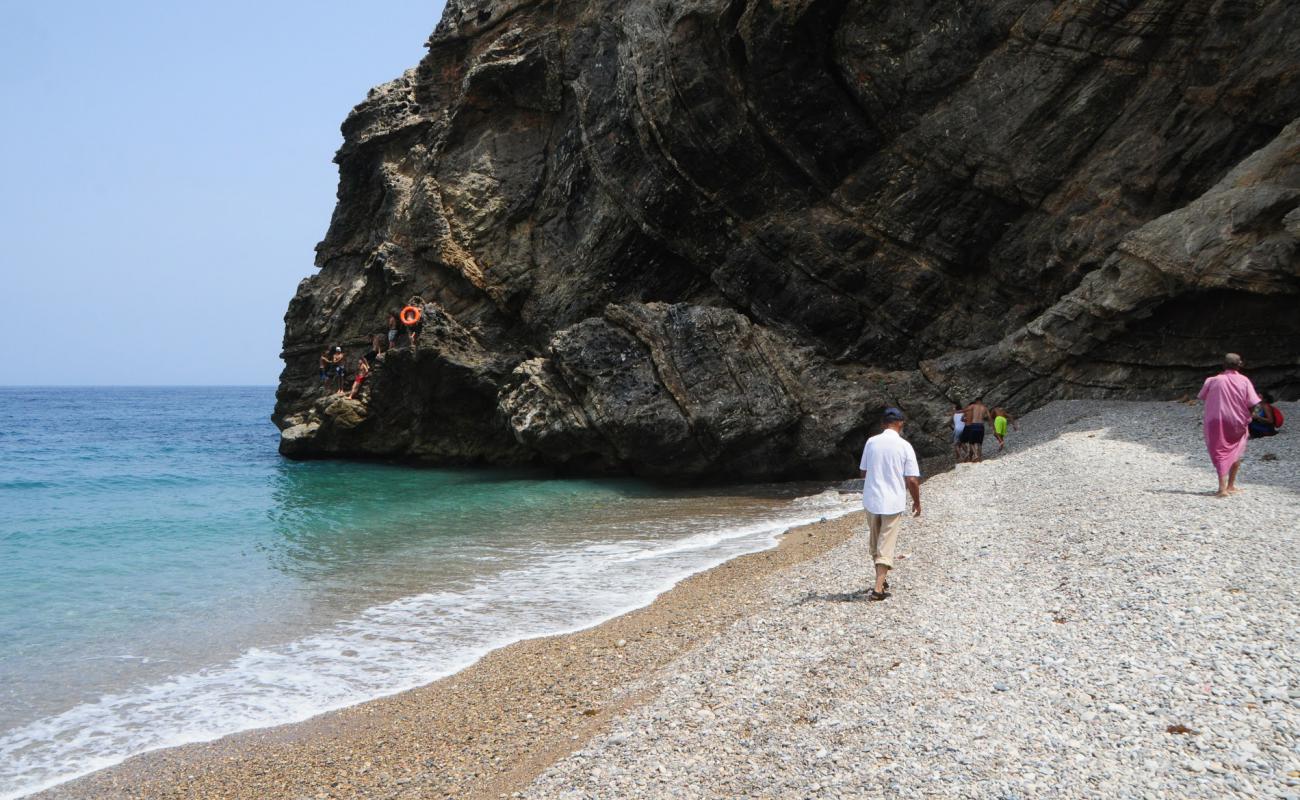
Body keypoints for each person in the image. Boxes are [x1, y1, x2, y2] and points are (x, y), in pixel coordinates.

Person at [858, 407, 921, 602]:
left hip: (872, 499)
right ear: (900, 423)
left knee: (876, 543)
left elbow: (863, 472)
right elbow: (911, 479)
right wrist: (917, 502)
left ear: (883, 423)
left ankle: (881, 580)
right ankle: (878, 588)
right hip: (893, 501)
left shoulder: (871, 442)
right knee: (886, 543)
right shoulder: (904, 446)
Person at [1198, 353, 1261, 497]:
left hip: (1215, 420)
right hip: (1237, 420)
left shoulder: (1212, 380)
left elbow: (1203, 396)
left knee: (1220, 451)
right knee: (1236, 449)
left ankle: (1222, 489)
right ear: (1240, 365)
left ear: (1223, 365)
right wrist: (1248, 416)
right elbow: (1253, 402)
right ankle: (1231, 485)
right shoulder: (1245, 381)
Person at [960, 397, 992, 462]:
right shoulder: (985, 408)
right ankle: (980, 457)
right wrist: (991, 426)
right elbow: (989, 417)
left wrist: (956, 412)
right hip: (981, 426)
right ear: (981, 401)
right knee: (979, 443)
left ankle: (975, 455)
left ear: (976, 401)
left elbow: (964, 412)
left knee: (971, 442)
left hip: (974, 425)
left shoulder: (973, 406)